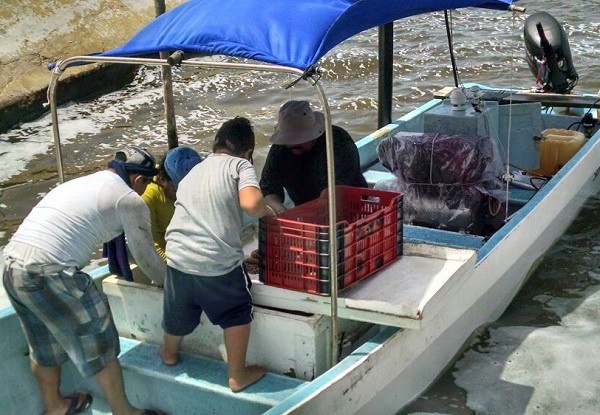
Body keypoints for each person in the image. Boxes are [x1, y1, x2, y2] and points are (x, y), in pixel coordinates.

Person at [2, 146, 167, 415]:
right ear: (139, 180)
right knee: (100, 339)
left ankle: (55, 406)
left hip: (12, 265)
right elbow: (147, 259)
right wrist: (171, 285)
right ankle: (124, 411)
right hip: (50, 271)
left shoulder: (85, 182)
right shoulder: (128, 198)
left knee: (43, 346)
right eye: (147, 183)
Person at [161, 117, 275, 392]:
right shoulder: (240, 165)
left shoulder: (194, 171)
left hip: (177, 256)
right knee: (237, 310)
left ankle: (168, 353)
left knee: (179, 311)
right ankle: (237, 375)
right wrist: (269, 214)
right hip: (216, 262)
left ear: (215, 145)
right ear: (248, 152)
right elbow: (251, 203)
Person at [260, 100, 368, 213]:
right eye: (289, 139)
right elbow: (268, 188)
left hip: (351, 207)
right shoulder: (280, 149)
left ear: (315, 132)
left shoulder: (338, 144)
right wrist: (281, 210)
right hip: (305, 208)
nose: (294, 143)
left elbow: (337, 195)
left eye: (300, 138)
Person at [142, 146, 202, 261]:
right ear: (162, 178)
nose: (184, 194)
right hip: (161, 251)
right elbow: (149, 243)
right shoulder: (147, 196)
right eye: (178, 188)